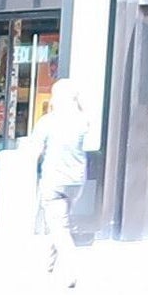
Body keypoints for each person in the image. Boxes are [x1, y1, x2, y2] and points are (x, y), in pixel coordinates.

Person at [33, 84, 92, 283]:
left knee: (59, 227)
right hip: (76, 182)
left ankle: (70, 272)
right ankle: (46, 266)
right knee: (58, 222)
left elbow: (35, 150)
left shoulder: (48, 122)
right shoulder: (82, 121)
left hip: (54, 181)